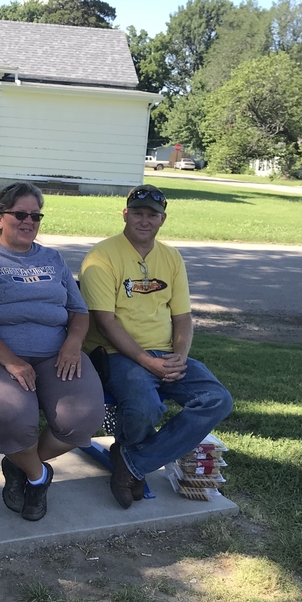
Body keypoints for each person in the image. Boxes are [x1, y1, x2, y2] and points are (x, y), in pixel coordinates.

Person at [0, 182, 105, 521]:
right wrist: (11, 361)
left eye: (35, 215)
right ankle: (37, 475)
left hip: (53, 354)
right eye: (20, 214)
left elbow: (79, 312)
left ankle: (20, 462)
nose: (29, 221)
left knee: (83, 419)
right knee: (16, 416)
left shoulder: (53, 258)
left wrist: (73, 345)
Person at [79, 184, 233, 509]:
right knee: (145, 409)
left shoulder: (172, 257)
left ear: (162, 219)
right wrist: (148, 362)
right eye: (138, 213)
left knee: (217, 399)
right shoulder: (102, 257)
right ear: (125, 214)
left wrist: (179, 357)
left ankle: (132, 461)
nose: (144, 220)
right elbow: (106, 323)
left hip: (165, 354)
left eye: (152, 214)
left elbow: (183, 317)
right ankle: (135, 465)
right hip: (116, 354)